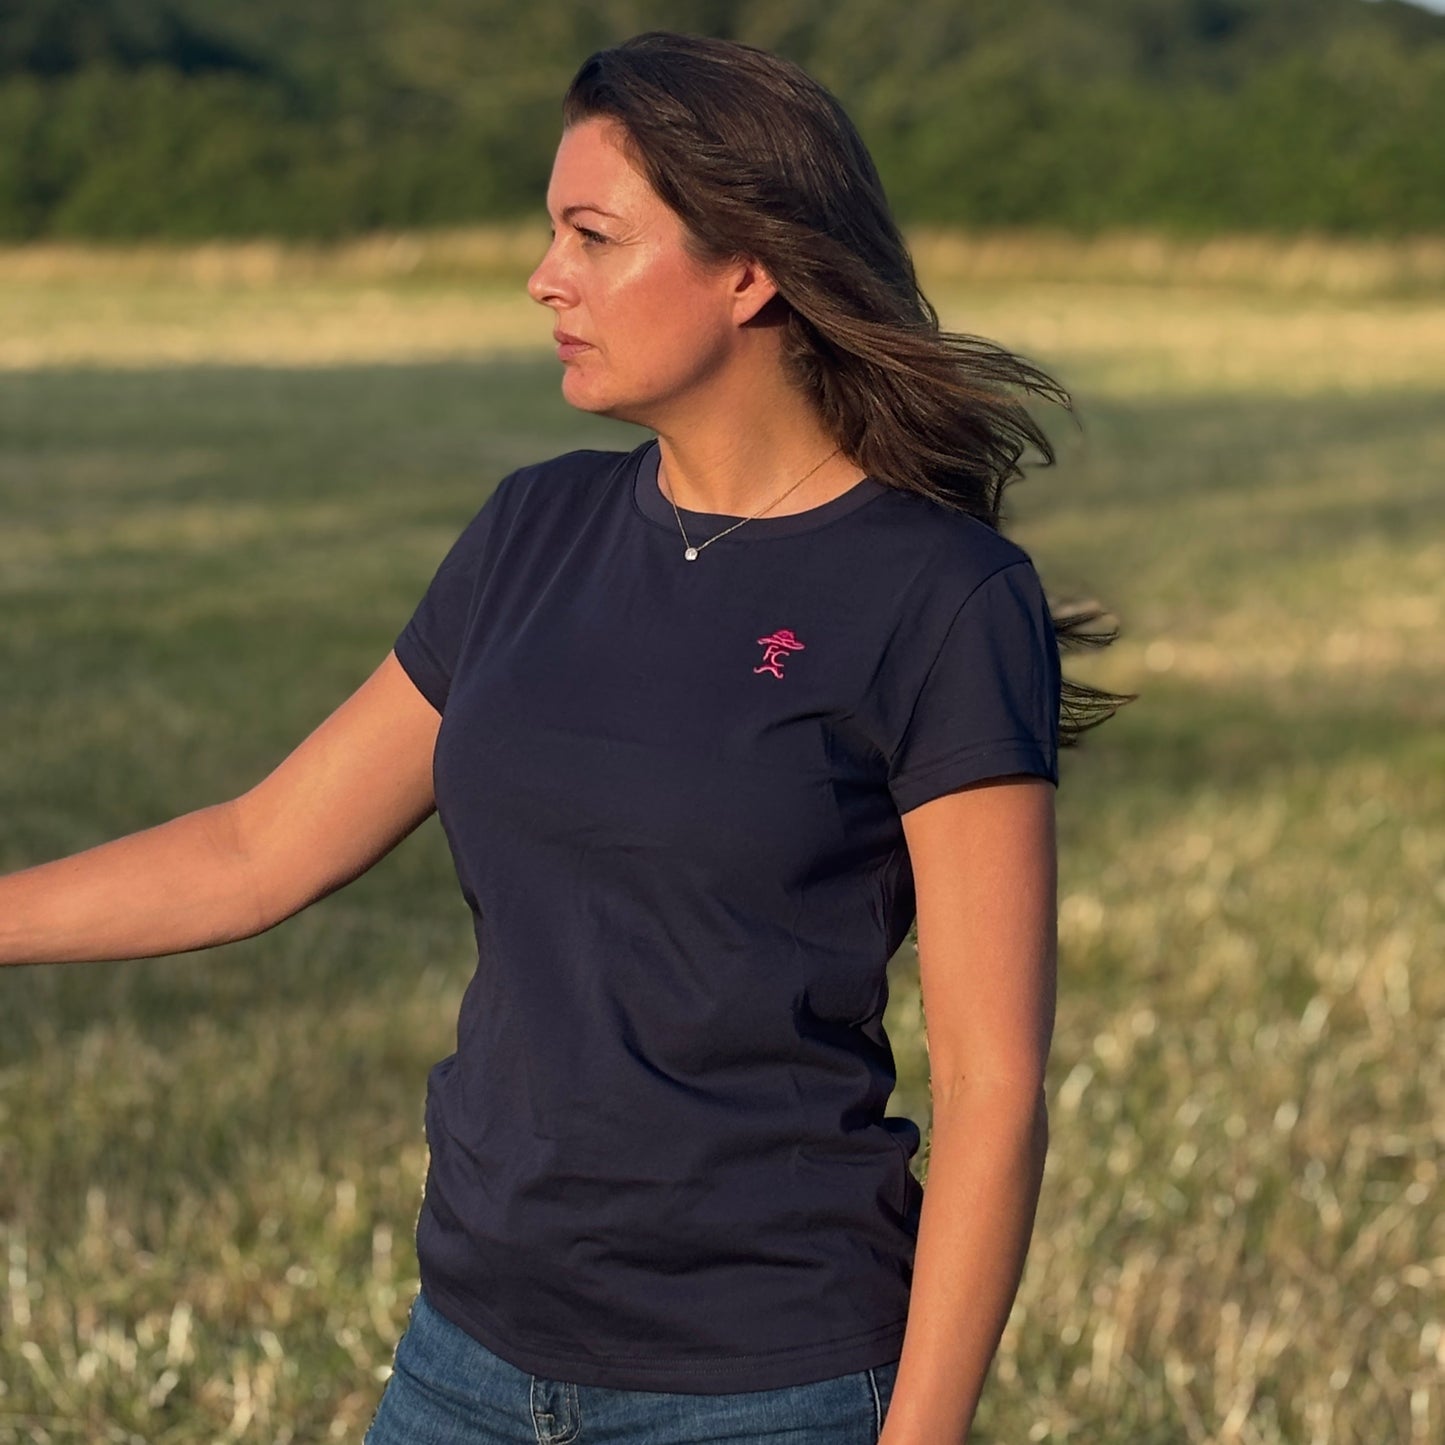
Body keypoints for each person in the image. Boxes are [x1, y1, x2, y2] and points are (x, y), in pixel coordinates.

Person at [1, 30, 1127, 1445]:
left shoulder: (939, 595)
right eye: (552, 234)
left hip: (768, 1384)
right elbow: (255, 848)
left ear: (748, 268)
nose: (546, 277)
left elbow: (990, 1085)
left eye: (592, 237)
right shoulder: (533, 529)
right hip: (466, 1355)